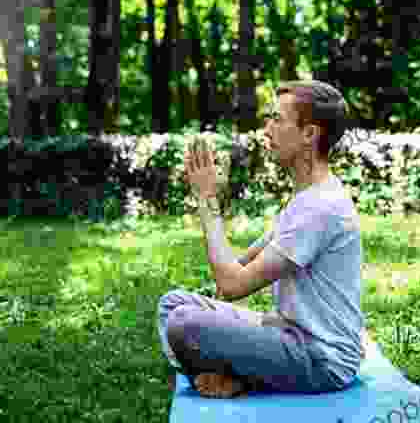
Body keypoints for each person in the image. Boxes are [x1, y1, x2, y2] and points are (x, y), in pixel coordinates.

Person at [157, 80, 367, 399]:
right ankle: (237, 374)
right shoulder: (307, 197)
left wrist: (206, 199)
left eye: (277, 119)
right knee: (174, 304)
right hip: (288, 333)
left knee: (184, 323)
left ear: (310, 134)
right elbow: (237, 269)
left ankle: (242, 377)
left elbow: (232, 285)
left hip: (322, 358)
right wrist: (226, 309)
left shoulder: (321, 208)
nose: (266, 129)